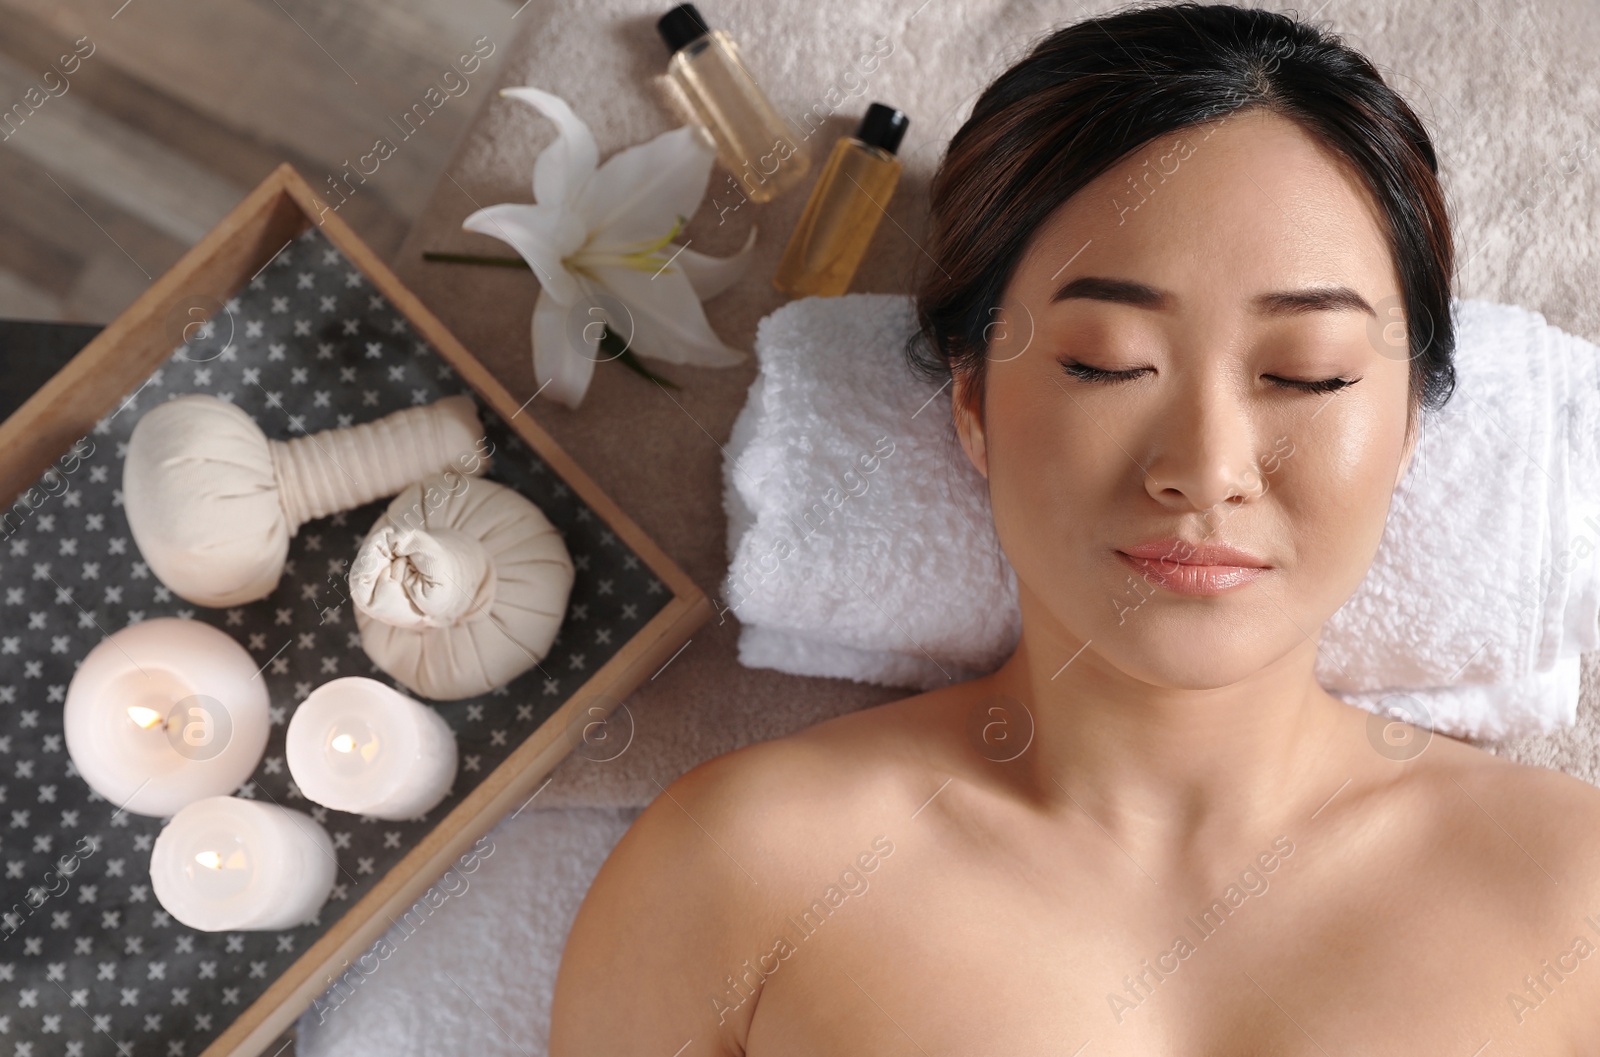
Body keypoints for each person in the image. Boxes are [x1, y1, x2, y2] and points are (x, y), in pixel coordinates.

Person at [550, 3, 1600, 1052]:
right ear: (972, 403)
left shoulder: (1572, 896)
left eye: (1307, 373)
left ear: (1410, 420)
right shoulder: (742, 873)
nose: (1206, 469)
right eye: (1105, 361)